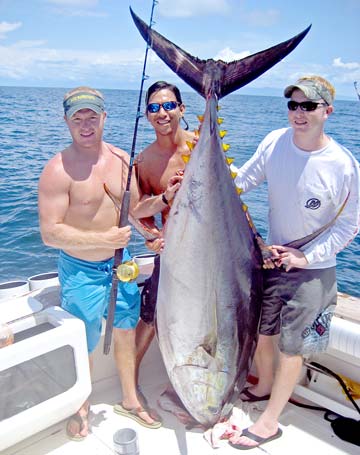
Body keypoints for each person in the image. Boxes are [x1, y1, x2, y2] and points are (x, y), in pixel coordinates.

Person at [38, 86, 180, 440]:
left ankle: (130, 400)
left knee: (125, 328)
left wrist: (162, 200)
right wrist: (104, 240)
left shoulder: (120, 159)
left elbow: (133, 211)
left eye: (92, 117)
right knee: (83, 338)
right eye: (77, 118)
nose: (86, 125)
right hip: (81, 269)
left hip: (122, 263)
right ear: (67, 122)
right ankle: (81, 405)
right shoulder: (58, 171)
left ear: (104, 118)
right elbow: (50, 234)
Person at [228, 75, 360, 450]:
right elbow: (244, 180)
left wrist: (307, 256)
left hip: (313, 273)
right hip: (273, 261)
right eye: (293, 105)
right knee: (264, 332)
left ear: (328, 111)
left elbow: (350, 225)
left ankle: (270, 421)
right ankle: (266, 386)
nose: (299, 113)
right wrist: (208, 172)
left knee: (293, 346)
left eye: (309, 106)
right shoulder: (275, 141)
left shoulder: (344, 165)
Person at [133, 81, 196, 408]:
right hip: (171, 255)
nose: (163, 113)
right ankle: (130, 382)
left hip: (206, 254)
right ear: (147, 115)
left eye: (169, 105)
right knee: (152, 314)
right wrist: (164, 202)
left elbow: (234, 195)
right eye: (155, 107)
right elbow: (137, 211)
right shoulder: (144, 160)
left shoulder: (202, 146)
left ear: (182, 109)